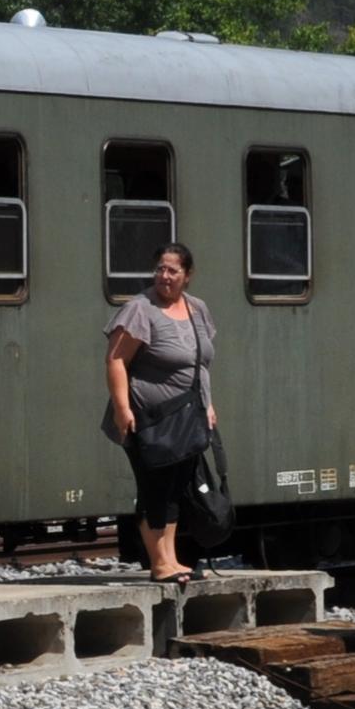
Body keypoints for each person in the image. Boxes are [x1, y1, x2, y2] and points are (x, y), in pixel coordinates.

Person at [104, 243, 215, 585]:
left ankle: (172, 558)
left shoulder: (197, 308)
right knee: (153, 486)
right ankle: (158, 563)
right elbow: (116, 360)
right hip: (148, 417)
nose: (164, 277)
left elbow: (201, 363)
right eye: (160, 269)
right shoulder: (140, 310)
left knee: (176, 486)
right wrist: (122, 408)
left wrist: (208, 405)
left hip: (187, 416)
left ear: (187, 275)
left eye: (172, 271)